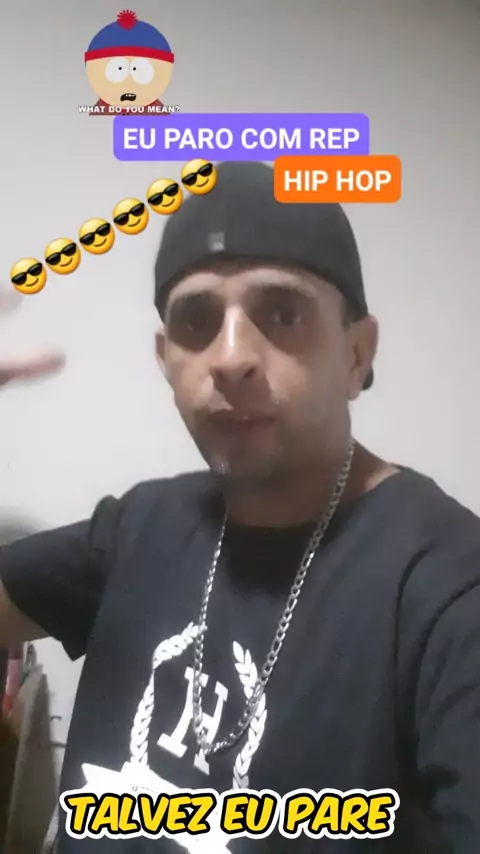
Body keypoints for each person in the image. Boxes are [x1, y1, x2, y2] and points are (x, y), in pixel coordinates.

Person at [0, 162, 479, 853]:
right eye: (196, 320)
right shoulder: (138, 527)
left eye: (282, 313)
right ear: (165, 360)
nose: (229, 358)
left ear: (357, 353)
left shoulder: (449, 586)